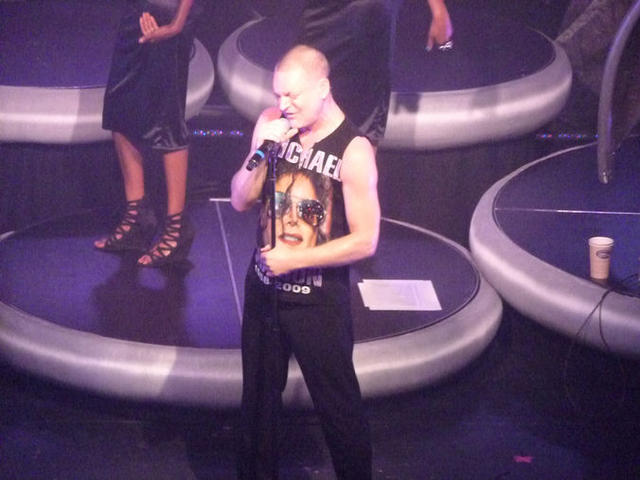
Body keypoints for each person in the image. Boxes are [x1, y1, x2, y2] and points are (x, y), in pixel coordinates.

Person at [231, 45, 381, 479]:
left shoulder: (353, 150)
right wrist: (263, 151)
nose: (284, 105)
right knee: (257, 406)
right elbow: (240, 199)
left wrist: (297, 258)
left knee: (339, 409)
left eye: (293, 95)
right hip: (264, 292)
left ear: (323, 88)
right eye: (279, 94)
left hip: (318, 303)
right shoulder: (272, 125)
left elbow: (366, 241)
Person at [95, 0, 200, 267]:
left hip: (169, 15)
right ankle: (137, 218)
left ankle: (176, 231)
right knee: (119, 108)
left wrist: (177, 23)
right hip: (136, 12)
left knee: (167, 120)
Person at [298, 0, 453, 147]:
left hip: (368, 18)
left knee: (361, 117)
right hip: (323, 13)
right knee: (305, 92)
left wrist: (438, 10)